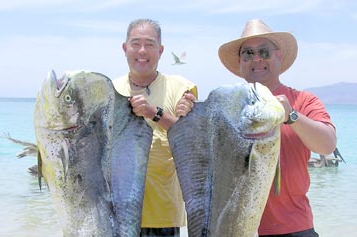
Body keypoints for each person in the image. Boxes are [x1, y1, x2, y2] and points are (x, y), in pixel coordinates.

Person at [218, 19, 337, 237]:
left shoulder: (303, 101)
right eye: (248, 53)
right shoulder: (226, 108)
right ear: (240, 61)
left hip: (295, 228)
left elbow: (327, 145)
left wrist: (291, 116)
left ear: (278, 55)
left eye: (264, 51)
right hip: (234, 227)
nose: (256, 59)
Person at [112, 18, 197, 237]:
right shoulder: (110, 90)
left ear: (160, 50)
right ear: (125, 48)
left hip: (163, 214)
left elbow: (191, 141)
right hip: (116, 212)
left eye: (149, 44)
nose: (142, 50)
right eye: (135, 43)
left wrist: (154, 113)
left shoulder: (182, 87)